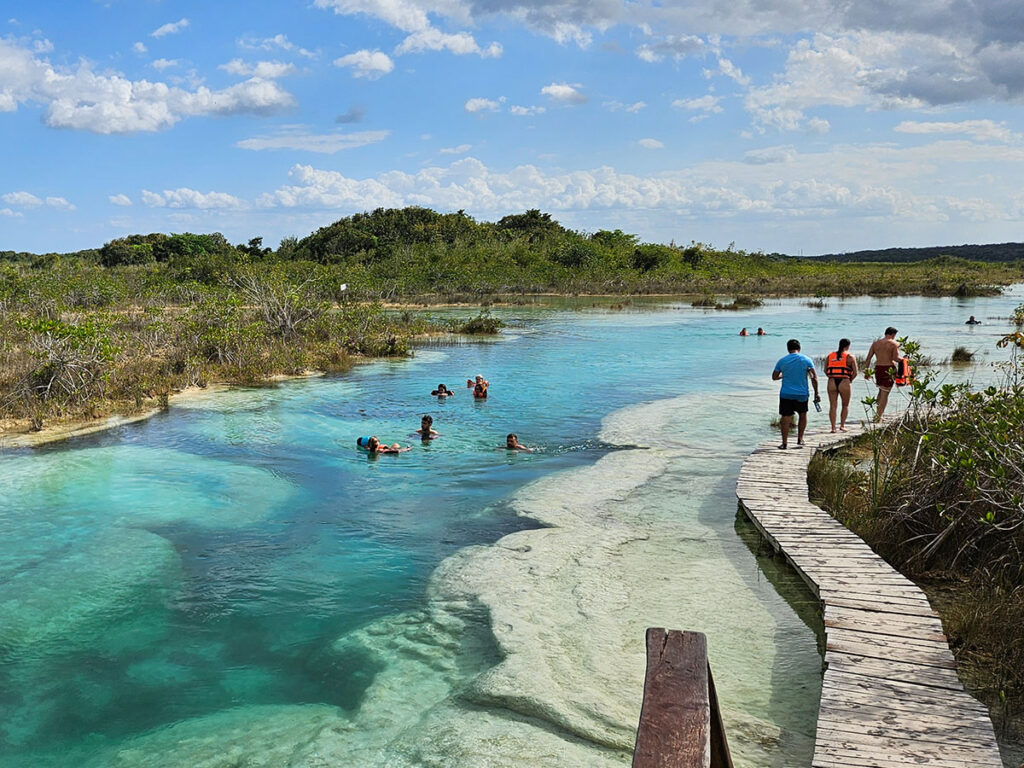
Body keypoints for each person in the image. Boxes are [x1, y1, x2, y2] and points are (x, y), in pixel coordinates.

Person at [772, 338, 819, 450]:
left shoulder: (782, 361)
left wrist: (783, 375)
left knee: (785, 417)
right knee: (803, 415)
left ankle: (784, 443)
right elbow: (814, 378)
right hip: (802, 394)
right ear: (799, 348)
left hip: (786, 393)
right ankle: (800, 439)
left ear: (788, 349)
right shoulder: (806, 360)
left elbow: (774, 377)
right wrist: (816, 393)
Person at [864, 327, 900, 421]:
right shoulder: (894, 344)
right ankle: (879, 417)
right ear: (893, 334)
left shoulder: (876, 343)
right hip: (888, 368)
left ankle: (878, 415)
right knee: (885, 393)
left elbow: (868, 358)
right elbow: (896, 358)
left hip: (878, 368)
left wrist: (867, 371)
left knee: (881, 391)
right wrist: (905, 360)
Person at [824, 338, 858, 433]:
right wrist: (849, 380)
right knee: (845, 405)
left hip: (831, 381)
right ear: (848, 346)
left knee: (833, 406)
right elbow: (855, 372)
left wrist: (831, 377)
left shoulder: (830, 356)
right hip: (844, 381)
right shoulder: (850, 357)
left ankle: (833, 428)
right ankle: (842, 426)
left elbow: (825, 370)